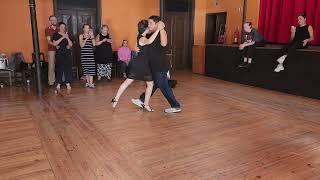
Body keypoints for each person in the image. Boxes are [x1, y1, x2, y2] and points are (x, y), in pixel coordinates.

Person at [131, 16, 181, 113]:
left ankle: (175, 106)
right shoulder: (149, 34)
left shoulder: (161, 32)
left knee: (164, 86)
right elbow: (140, 39)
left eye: (150, 23)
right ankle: (142, 100)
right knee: (153, 84)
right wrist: (135, 47)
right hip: (152, 65)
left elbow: (163, 43)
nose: (148, 25)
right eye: (148, 23)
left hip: (160, 65)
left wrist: (160, 28)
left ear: (157, 23)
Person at [111, 20, 163, 112]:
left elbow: (137, 46)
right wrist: (158, 29)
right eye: (148, 26)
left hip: (138, 64)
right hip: (143, 65)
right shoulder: (143, 38)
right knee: (150, 84)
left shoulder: (139, 36)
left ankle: (115, 99)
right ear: (146, 29)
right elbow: (150, 41)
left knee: (128, 82)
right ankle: (146, 105)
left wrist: (135, 48)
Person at [52, 22, 73, 90]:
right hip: (59, 53)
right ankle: (59, 83)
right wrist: (62, 37)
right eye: (61, 27)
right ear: (59, 28)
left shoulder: (68, 34)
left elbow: (71, 44)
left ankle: (67, 83)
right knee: (60, 68)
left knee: (67, 68)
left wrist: (67, 38)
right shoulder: (56, 34)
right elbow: (54, 44)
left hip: (67, 53)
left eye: (64, 27)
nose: (63, 28)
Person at [45, 15, 59, 86]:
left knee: (60, 64)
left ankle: (59, 80)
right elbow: (48, 41)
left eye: (55, 19)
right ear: (50, 21)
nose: (54, 21)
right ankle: (51, 82)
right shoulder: (47, 29)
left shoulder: (59, 29)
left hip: (59, 50)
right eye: (52, 20)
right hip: (51, 50)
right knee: (51, 66)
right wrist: (55, 45)